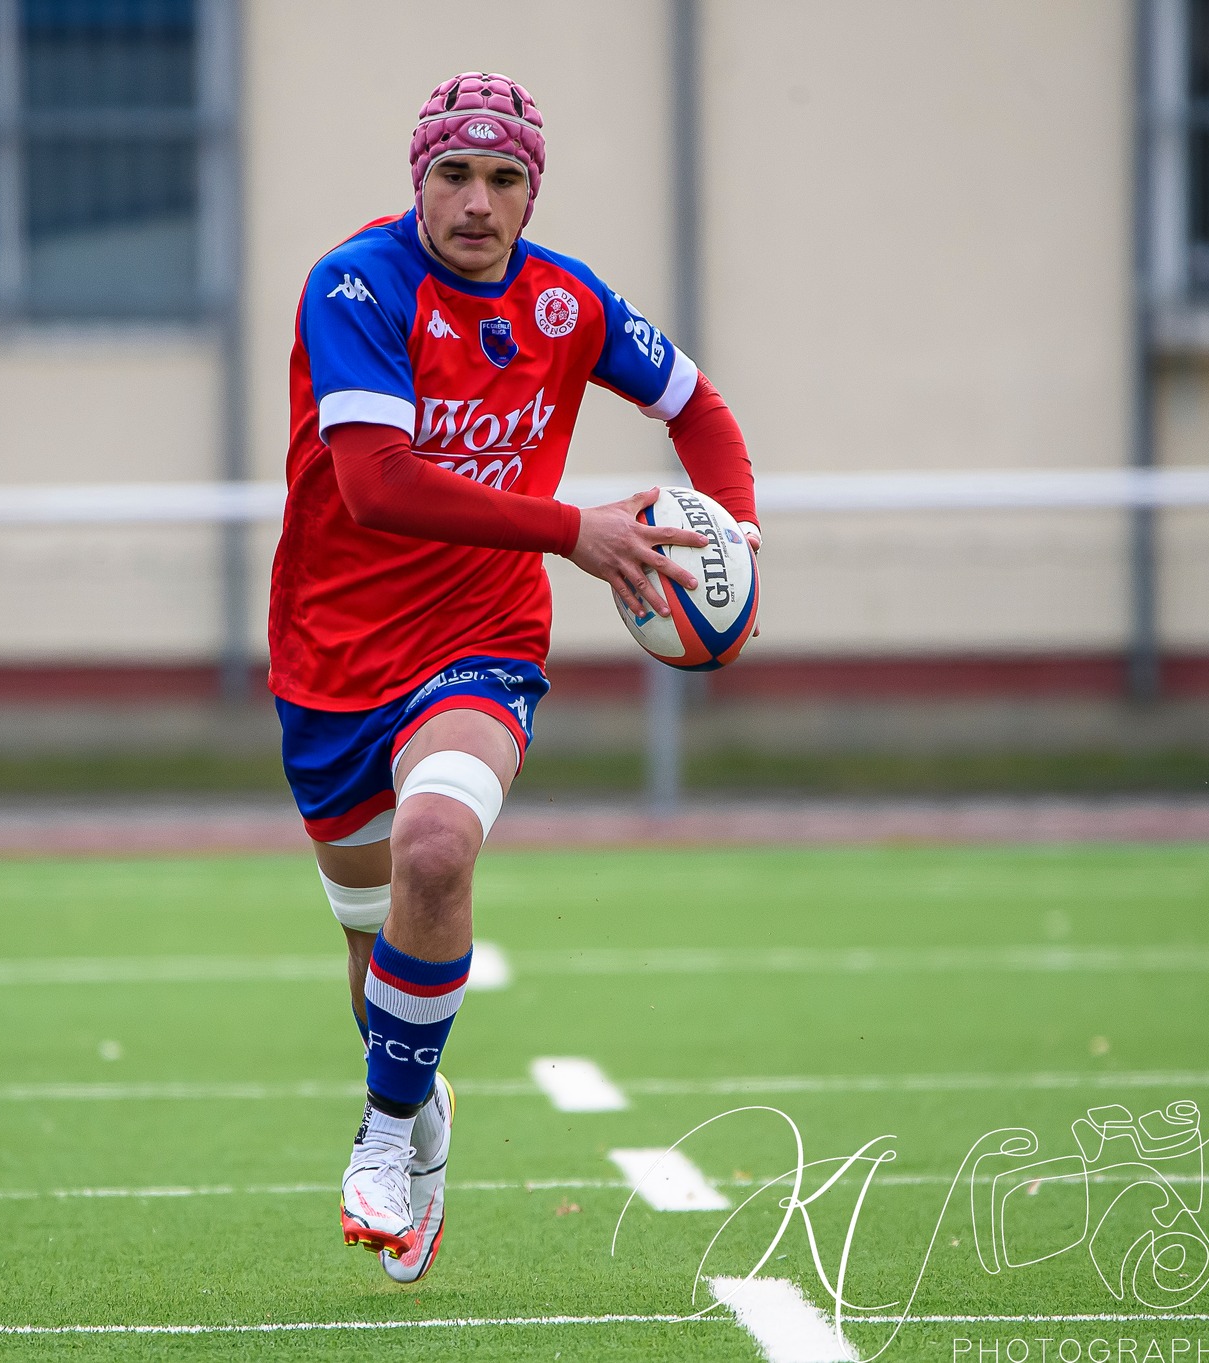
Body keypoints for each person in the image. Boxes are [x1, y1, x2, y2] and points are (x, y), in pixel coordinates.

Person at [268, 71, 761, 1284]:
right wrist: (571, 528)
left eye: (503, 179)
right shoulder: (356, 285)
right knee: (368, 936)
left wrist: (734, 550)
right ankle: (419, 1103)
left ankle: (387, 1138)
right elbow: (377, 486)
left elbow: (700, 413)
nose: (477, 203)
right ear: (417, 179)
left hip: (478, 640)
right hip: (329, 650)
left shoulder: (567, 301)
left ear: (532, 190)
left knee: (434, 848)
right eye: (454, 174)